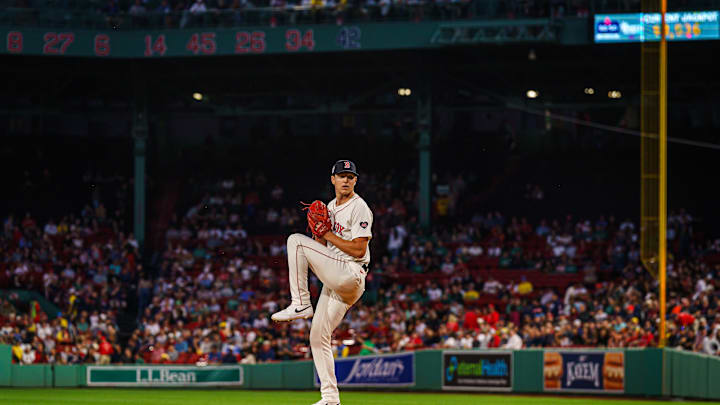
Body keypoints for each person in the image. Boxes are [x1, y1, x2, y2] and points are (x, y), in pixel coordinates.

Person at [272, 159, 372, 405]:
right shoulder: (330, 206)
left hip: (351, 272)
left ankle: (301, 302)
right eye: (342, 175)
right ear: (333, 180)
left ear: (356, 181)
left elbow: (359, 250)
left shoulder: (359, 207)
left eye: (350, 176)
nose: (346, 180)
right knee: (318, 337)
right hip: (337, 280)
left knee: (295, 240)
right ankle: (330, 399)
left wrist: (325, 234)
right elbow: (321, 250)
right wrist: (318, 236)